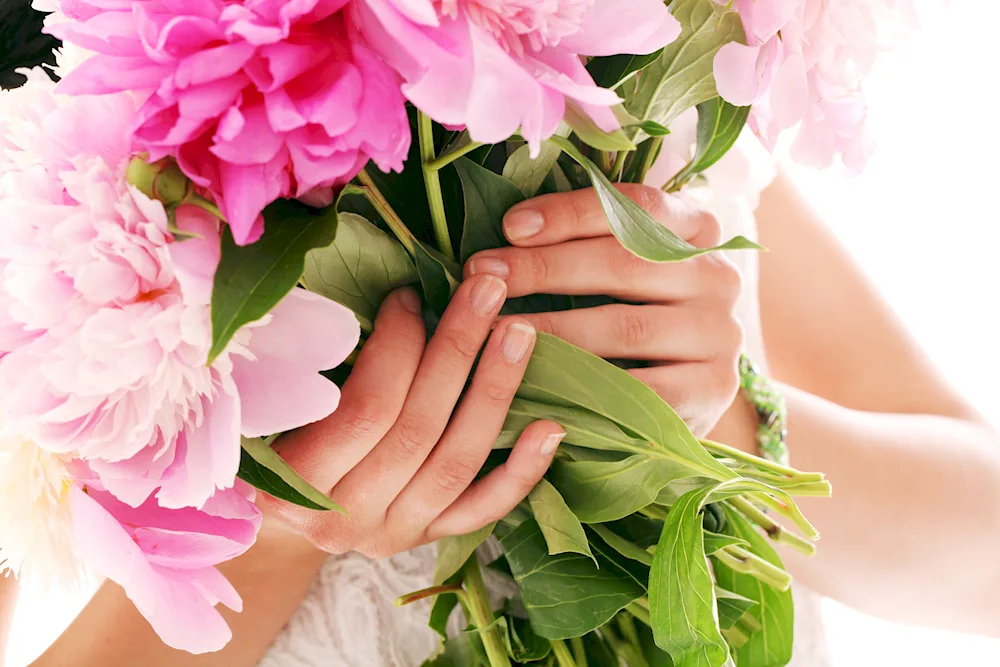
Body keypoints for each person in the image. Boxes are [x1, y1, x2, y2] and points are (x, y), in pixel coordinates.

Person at [5, 123, 1000, 665]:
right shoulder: (40, 143)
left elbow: (984, 561)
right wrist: (260, 541)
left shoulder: (626, 55)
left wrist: (715, 424)